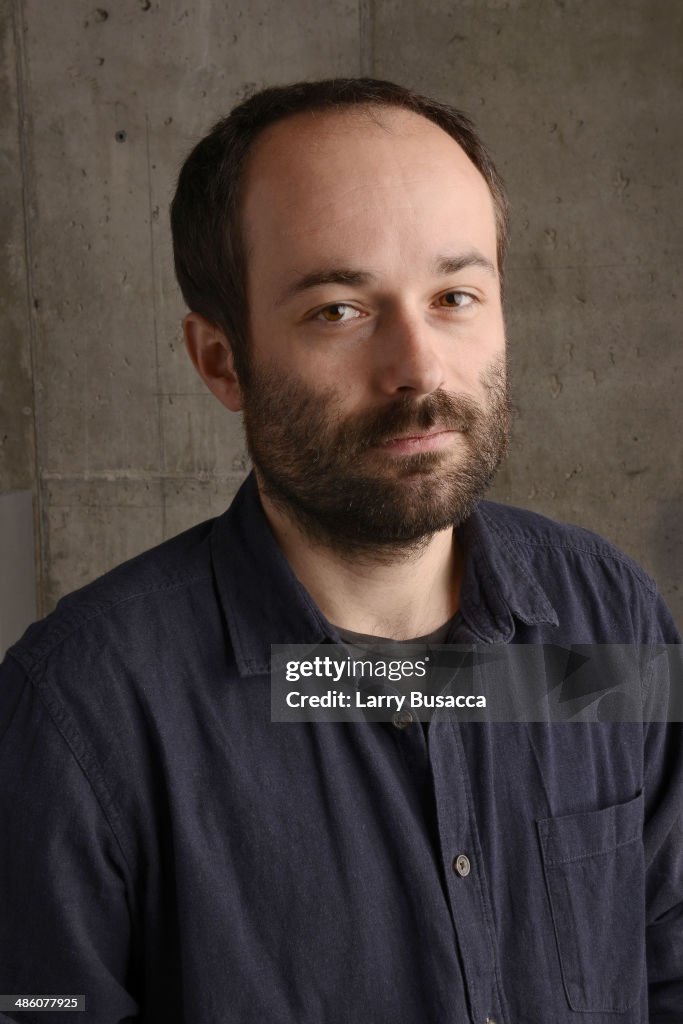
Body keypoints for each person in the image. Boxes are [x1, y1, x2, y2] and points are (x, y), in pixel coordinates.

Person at [0, 78, 680, 1024]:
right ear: (220, 362)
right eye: (338, 311)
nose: (418, 369)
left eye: (454, 295)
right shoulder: (86, 711)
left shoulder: (607, 621)